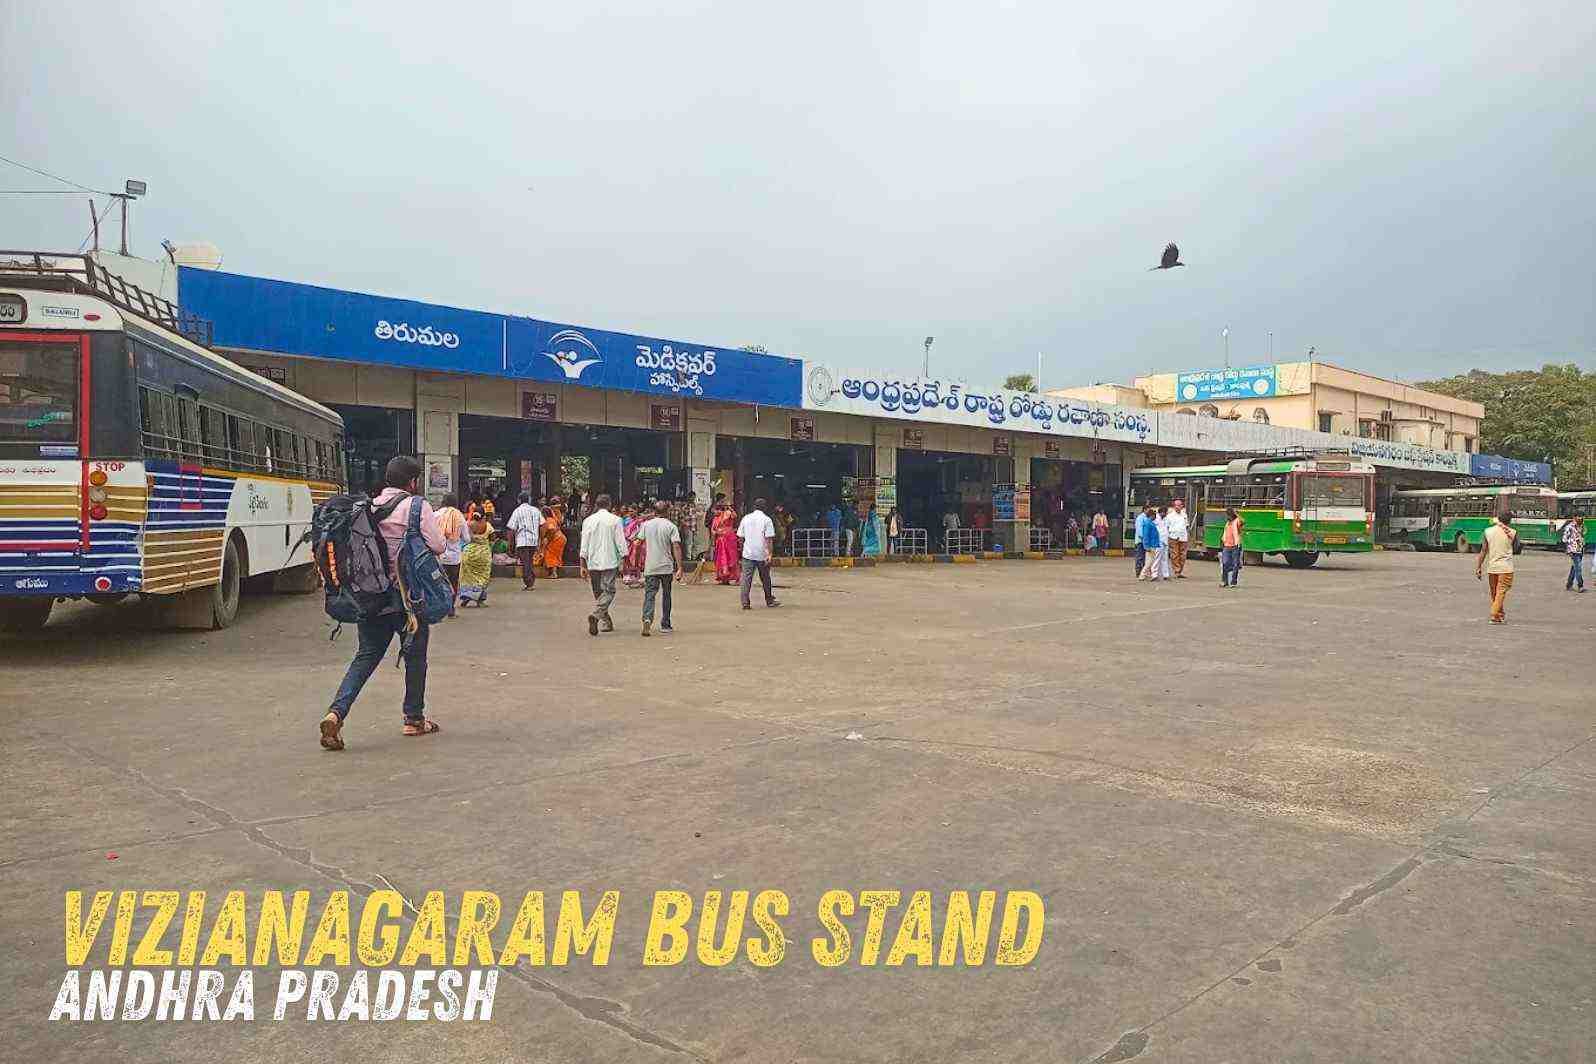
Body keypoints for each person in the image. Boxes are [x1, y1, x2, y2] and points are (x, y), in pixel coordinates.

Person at [319, 455, 445, 750]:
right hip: (408, 599)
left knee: (365, 656)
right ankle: (413, 719)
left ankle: (336, 712)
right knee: (415, 657)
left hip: (371, 596)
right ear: (412, 482)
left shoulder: (368, 508)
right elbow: (438, 545)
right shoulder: (417, 506)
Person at [579, 493, 627, 636]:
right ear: (609, 505)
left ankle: (606, 621)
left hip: (593, 561)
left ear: (596, 505)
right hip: (610, 561)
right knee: (609, 591)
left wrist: (582, 564)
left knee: (598, 593)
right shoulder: (616, 520)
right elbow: (620, 541)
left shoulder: (588, 521)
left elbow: (584, 544)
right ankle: (597, 615)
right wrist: (624, 559)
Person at [635, 500, 685, 636]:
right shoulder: (671, 526)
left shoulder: (646, 525)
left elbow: (638, 544)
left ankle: (647, 618)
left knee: (650, 594)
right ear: (667, 511)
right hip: (666, 567)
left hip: (651, 566)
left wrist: (637, 563)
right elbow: (676, 546)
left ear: (654, 511)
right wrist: (680, 567)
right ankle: (665, 624)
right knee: (666, 595)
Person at [737, 497, 780, 610]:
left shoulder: (746, 518)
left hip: (748, 553)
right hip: (762, 554)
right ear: (764, 508)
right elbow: (769, 539)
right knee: (765, 578)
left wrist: (742, 549)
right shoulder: (767, 520)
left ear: (754, 507)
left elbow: (740, 537)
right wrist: (769, 554)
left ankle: (745, 602)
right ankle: (769, 600)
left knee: (746, 579)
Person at [1476, 512, 1518, 622]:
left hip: (1492, 567)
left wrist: (1479, 567)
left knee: (1495, 593)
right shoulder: (1512, 532)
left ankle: (1499, 614)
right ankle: (1494, 614)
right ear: (1509, 521)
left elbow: (1483, 551)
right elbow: (1516, 548)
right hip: (1506, 568)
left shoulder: (1487, 531)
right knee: (1501, 592)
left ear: (1498, 519)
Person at [434, 493, 469, 619]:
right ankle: (450, 609)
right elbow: (467, 538)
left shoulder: (435, 515)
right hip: (454, 558)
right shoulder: (459, 516)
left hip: (438, 557)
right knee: (453, 583)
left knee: (438, 583)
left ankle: (439, 608)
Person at [505, 493, 543, 591]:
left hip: (522, 541)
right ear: (528, 500)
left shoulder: (517, 511)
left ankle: (529, 582)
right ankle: (530, 579)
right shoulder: (536, 510)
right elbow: (542, 525)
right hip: (533, 540)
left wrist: (510, 543)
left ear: (519, 500)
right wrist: (540, 539)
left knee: (526, 562)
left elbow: (511, 528)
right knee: (529, 561)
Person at [457, 515, 494, 607]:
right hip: (483, 553)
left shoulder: (468, 524)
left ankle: (466, 597)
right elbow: (492, 539)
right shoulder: (488, 525)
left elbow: (463, 537)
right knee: (482, 576)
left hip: (469, 553)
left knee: (467, 576)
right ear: (483, 516)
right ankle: (480, 601)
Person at [711, 501, 741, 584]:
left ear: (719, 509)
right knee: (721, 559)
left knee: (731, 557)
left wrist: (730, 508)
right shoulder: (715, 518)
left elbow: (735, 516)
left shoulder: (727, 513)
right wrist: (716, 533)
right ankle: (724, 578)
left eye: (715, 510)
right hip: (720, 540)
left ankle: (734, 577)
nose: (714, 512)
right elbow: (713, 530)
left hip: (729, 539)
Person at [1137, 505, 1166, 582]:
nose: (1155, 517)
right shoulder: (1148, 523)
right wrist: (1146, 546)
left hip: (1153, 544)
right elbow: (1146, 536)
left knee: (1149, 561)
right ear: (1151, 515)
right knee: (1149, 562)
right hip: (1151, 545)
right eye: (1154, 515)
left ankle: (1145, 575)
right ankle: (1142, 575)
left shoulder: (1149, 523)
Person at [1220, 507, 1245, 588]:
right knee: (1225, 563)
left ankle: (1233, 582)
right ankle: (1225, 581)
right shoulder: (1227, 523)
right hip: (1226, 546)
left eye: (1229, 515)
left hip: (1235, 546)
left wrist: (1236, 514)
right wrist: (1222, 541)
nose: (1227, 516)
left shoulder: (1237, 521)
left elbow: (1243, 521)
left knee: (1235, 564)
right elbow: (1225, 533)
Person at [1166, 498, 1190, 578]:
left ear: (1182, 506)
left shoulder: (1184, 515)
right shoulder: (1169, 516)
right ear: (1174, 506)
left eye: (1179, 505)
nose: (1178, 507)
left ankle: (1180, 571)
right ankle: (1177, 571)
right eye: (1176, 505)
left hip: (1183, 537)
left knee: (1183, 556)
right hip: (1173, 537)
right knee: (1175, 555)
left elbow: (1186, 526)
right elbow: (1167, 527)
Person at [1561, 517, 1586, 592]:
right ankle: (1580, 585)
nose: (1581, 518)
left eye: (1582, 517)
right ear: (1574, 517)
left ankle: (1569, 584)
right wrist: (1569, 547)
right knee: (1578, 568)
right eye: (1579, 517)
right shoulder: (1569, 527)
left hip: (1580, 550)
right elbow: (1564, 539)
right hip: (1573, 551)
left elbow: (1583, 536)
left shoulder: (1581, 526)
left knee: (1574, 568)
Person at [1155, 505, 1173, 579]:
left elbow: (1168, 528)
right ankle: (1154, 574)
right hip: (1158, 540)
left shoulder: (1167, 519)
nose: (1166, 514)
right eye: (1165, 513)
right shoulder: (1155, 519)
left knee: (1165, 558)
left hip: (1165, 540)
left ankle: (1166, 575)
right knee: (1157, 558)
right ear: (1161, 512)